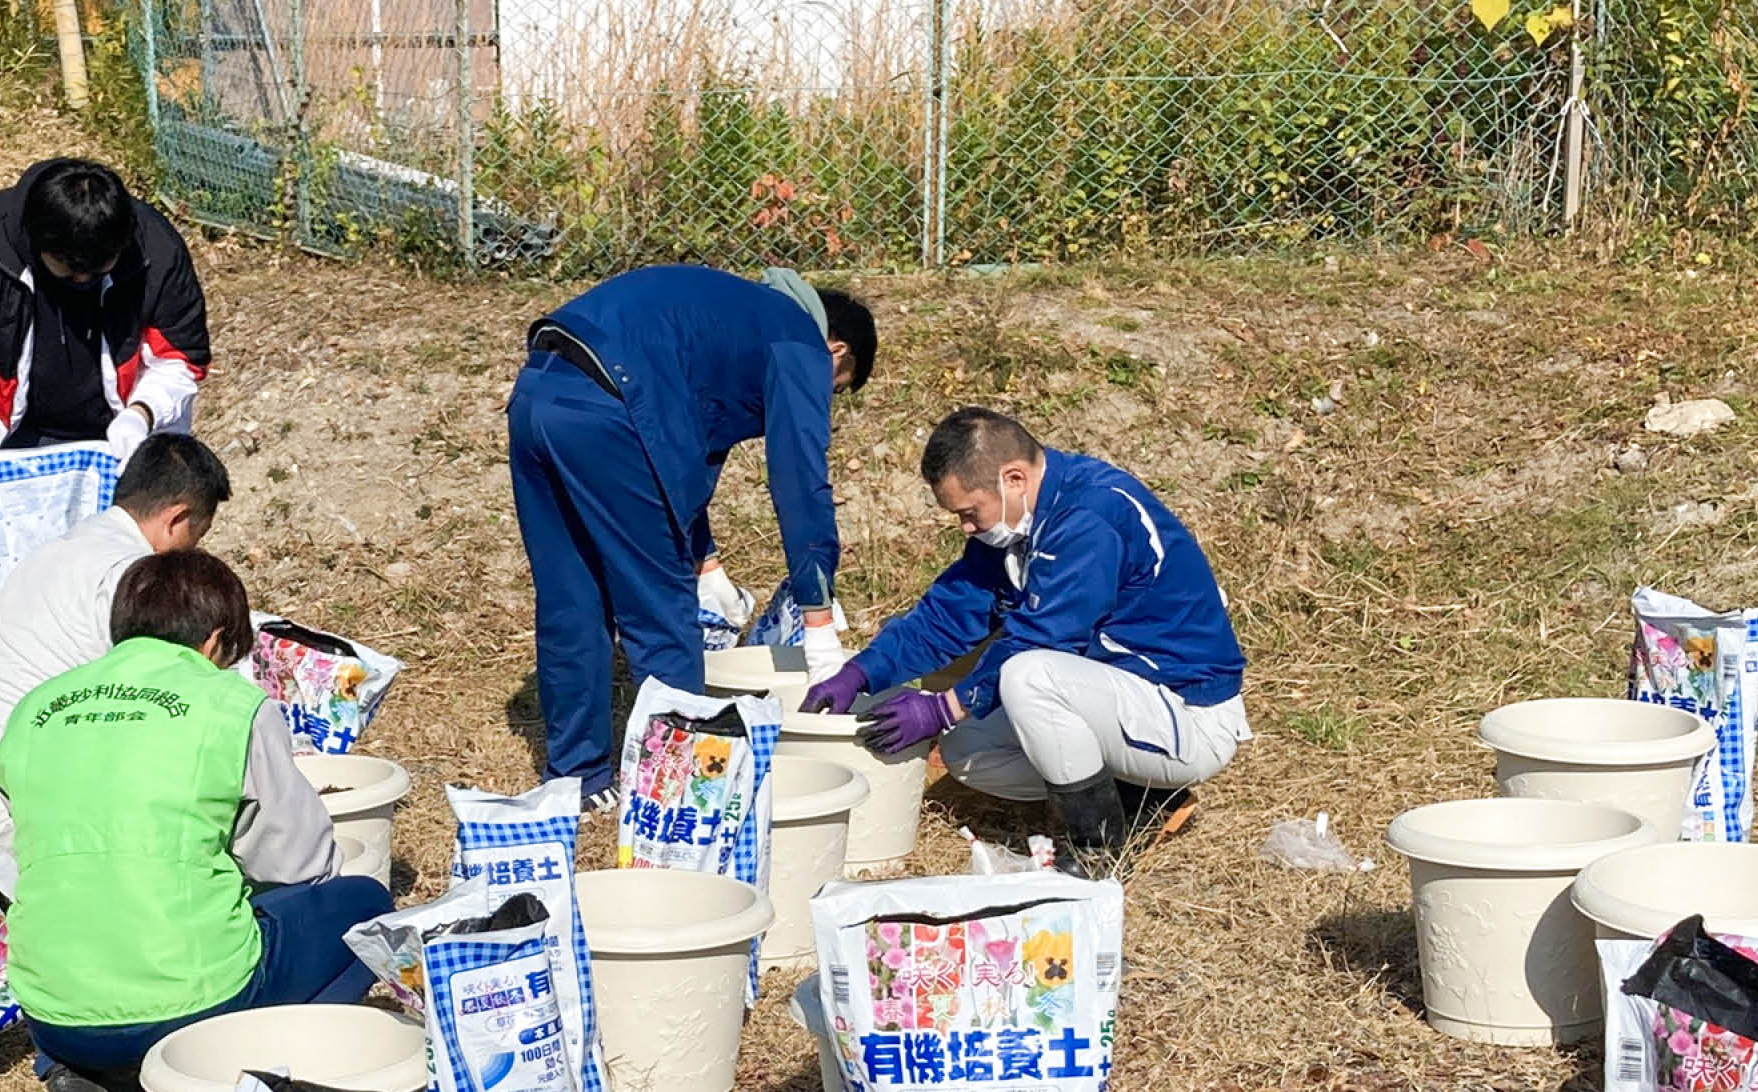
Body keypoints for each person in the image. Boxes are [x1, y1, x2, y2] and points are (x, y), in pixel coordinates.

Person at [0, 551, 394, 1092]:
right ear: (215, 641)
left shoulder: (36, 709)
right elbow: (297, 862)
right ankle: (252, 1055)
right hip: (197, 1003)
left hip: (55, 1014)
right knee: (364, 907)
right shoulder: (231, 706)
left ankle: (78, 1070)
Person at [801, 407, 1247, 874]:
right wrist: (861, 670)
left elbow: (1045, 637)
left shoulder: (1091, 516)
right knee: (966, 751)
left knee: (1027, 674)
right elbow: (948, 613)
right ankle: (1134, 797)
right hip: (1116, 699)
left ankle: (1096, 847)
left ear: (1013, 478)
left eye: (970, 512)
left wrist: (941, 707)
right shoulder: (1022, 523)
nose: (966, 528)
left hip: (1186, 715)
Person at [508, 264, 876, 811]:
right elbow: (801, 481)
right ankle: (675, 791)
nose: (824, 399)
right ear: (836, 351)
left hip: (537, 394)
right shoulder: (798, 339)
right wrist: (818, 621)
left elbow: (682, 446)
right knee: (658, 610)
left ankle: (577, 777)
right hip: (611, 413)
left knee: (573, 598)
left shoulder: (731, 317)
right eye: (835, 390)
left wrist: (708, 562)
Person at [0, 433, 232, 861]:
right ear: (176, 518)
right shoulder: (133, 576)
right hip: (16, 791)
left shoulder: (60, 548)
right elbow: (162, 696)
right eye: (196, 536)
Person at [0, 158, 210, 463]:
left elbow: (182, 355)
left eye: (97, 270)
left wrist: (142, 413)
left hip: (126, 427)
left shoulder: (156, 249)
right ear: (37, 241)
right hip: (18, 430)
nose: (82, 279)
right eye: (69, 268)